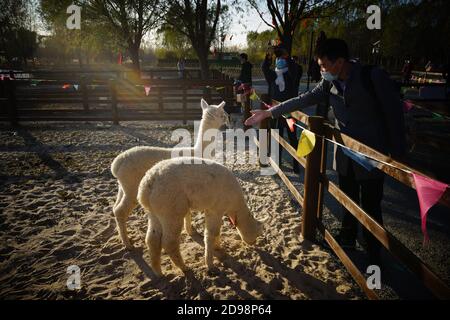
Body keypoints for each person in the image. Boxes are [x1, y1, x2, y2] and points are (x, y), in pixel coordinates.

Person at [246, 38, 406, 266]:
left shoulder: (372, 77)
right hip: (344, 154)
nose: (320, 70)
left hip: (372, 156)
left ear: (339, 62)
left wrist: (398, 156)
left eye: (323, 65)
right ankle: (348, 236)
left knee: (371, 206)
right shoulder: (328, 83)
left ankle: (374, 254)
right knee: (347, 197)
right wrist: (269, 114)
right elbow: (302, 99)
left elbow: (394, 114)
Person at [262, 43, 300, 173]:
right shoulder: (273, 76)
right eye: (278, 58)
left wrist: (286, 56)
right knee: (276, 136)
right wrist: (268, 56)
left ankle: (296, 164)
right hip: (276, 112)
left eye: (281, 58)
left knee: (293, 138)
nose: (280, 60)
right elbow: (265, 68)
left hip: (290, 113)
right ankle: (276, 162)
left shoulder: (291, 75)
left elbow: (294, 68)